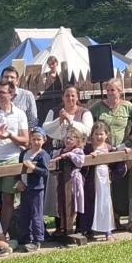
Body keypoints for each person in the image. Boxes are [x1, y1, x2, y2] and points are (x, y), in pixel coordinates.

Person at [42, 85, 93, 228]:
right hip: (59, 151)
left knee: (77, 190)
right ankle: (60, 226)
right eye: (67, 95)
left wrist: (70, 120)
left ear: (77, 97)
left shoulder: (84, 112)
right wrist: (59, 120)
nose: (70, 98)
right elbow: (46, 129)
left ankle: (78, 225)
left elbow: (87, 131)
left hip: (77, 154)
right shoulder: (54, 111)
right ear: (62, 97)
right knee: (57, 190)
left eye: (73, 95)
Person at [0, 80, 29, 235]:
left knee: (8, 199)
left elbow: (25, 140)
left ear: (11, 94)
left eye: (2, 92)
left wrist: (10, 136)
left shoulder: (19, 114)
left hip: (11, 159)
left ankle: (2, 233)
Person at [90, 78, 132, 224]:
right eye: (108, 90)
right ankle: (111, 218)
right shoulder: (98, 107)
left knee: (121, 184)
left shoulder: (127, 106)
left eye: (113, 90)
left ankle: (124, 215)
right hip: (104, 150)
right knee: (107, 184)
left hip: (123, 149)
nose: (110, 93)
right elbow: (89, 124)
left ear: (120, 91)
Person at [79, 122, 119, 240]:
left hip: (105, 180)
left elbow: (117, 165)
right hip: (91, 180)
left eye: (101, 134)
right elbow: (81, 163)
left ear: (106, 135)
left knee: (105, 204)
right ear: (92, 135)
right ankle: (88, 230)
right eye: (96, 134)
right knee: (90, 204)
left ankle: (108, 231)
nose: (99, 136)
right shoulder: (87, 148)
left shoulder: (110, 148)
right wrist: (89, 158)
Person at [16, 127, 50, 252]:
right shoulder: (24, 153)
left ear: (44, 140)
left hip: (36, 189)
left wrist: (33, 167)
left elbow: (45, 172)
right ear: (30, 139)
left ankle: (37, 240)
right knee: (24, 213)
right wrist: (18, 181)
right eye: (34, 139)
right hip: (25, 187)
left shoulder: (43, 155)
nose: (36, 142)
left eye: (39, 139)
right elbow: (18, 169)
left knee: (36, 214)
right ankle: (26, 237)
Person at [54, 128, 86, 235]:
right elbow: (53, 164)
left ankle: (71, 225)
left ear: (77, 141)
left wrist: (69, 155)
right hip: (61, 180)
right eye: (67, 138)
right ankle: (63, 227)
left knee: (73, 203)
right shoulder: (60, 151)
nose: (68, 140)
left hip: (74, 181)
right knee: (61, 202)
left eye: (71, 139)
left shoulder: (77, 151)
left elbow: (80, 162)